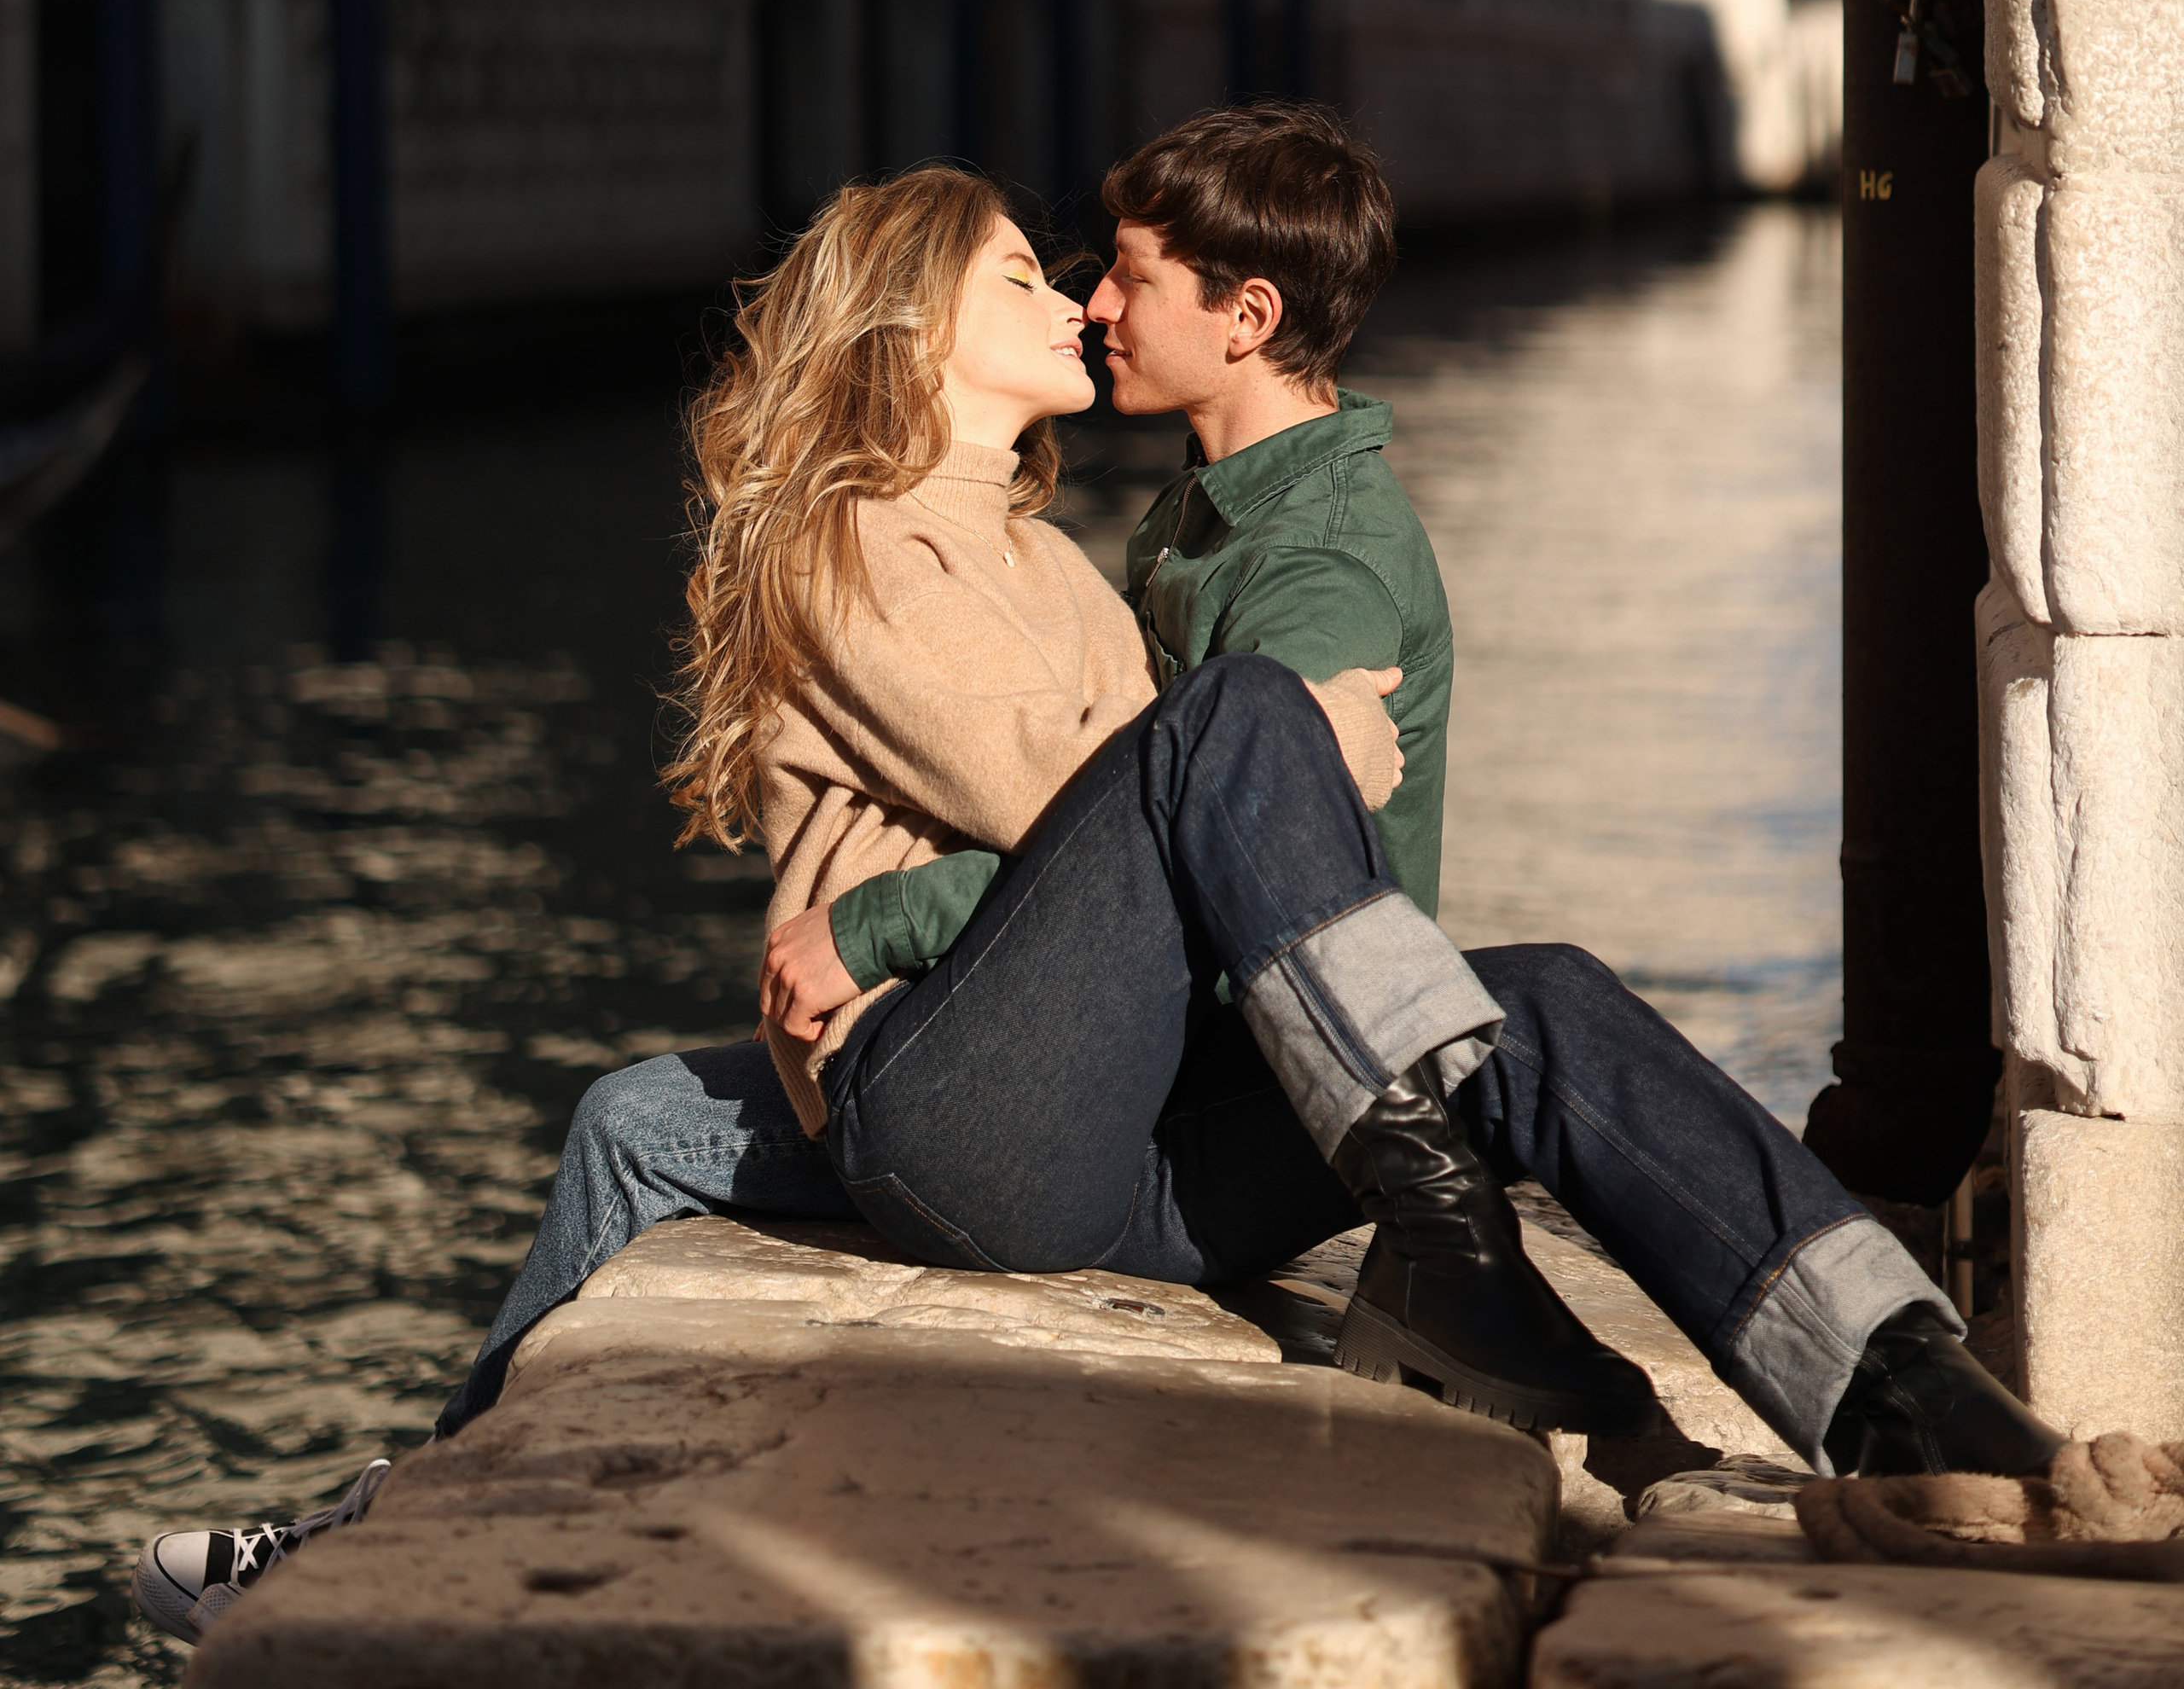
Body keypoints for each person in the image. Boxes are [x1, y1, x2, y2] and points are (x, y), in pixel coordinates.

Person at [134, 114, 2059, 1642]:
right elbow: (1110, 814)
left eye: (1085, 274)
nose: (1069, 296)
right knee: (1232, 731)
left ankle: (1894, 1383)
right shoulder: (863, 539)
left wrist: (1209, 780)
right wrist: (1295, 746)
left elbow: (1135, 859)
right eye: (1021, 273)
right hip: (968, 1117)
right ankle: (1439, 1234)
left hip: (1095, 1123)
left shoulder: (1061, 552)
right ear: (911, 327)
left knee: (1532, 986)